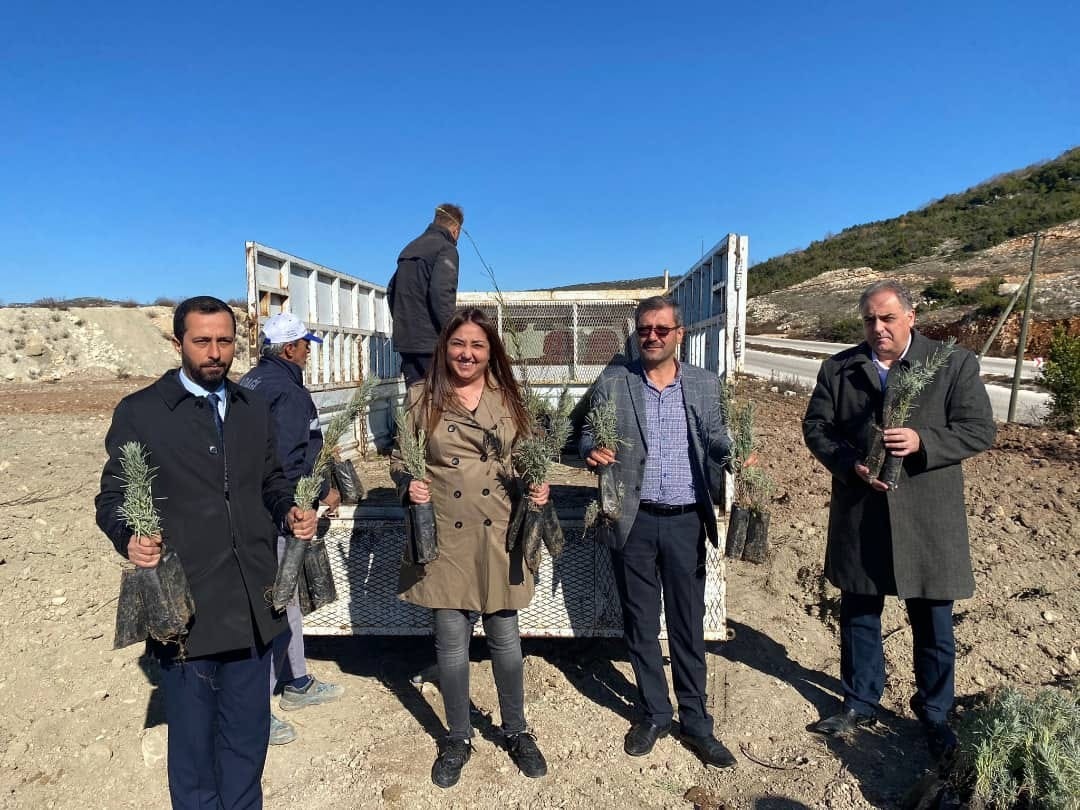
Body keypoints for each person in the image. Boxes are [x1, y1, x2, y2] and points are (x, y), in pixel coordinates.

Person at [95, 296, 317, 809]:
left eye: (224, 341)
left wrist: (288, 509)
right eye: (202, 341)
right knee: (194, 753)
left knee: (247, 740)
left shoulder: (252, 408)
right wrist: (129, 536)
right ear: (178, 343)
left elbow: (271, 480)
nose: (215, 352)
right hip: (186, 610)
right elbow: (112, 497)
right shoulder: (142, 412)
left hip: (254, 603)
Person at [802, 279, 995, 759]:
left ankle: (935, 712)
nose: (878, 328)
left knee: (932, 619)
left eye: (888, 318)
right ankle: (860, 701)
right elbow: (817, 427)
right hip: (861, 509)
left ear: (911, 317)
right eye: (869, 319)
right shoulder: (840, 368)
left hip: (928, 514)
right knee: (859, 611)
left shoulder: (951, 363)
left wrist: (923, 441)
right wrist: (848, 463)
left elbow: (978, 430)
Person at [391, 307, 550, 789]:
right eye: (458, 344)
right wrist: (409, 484)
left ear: (490, 351)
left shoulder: (510, 398)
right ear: (445, 349)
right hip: (447, 534)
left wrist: (537, 484)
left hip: (499, 532)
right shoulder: (422, 397)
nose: (467, 353)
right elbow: (401, 459)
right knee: (451, 645)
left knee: (506, 640)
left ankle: (516, 730)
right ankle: (457, 738)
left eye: (477, 345)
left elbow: (528, 457)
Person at [579, 295, 739, 769]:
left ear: (679, 335)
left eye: (661, 329)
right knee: (640, 623)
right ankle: (655, 713)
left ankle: (697, 722)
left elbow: (718, 436)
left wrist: (735, 451)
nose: (652, 336)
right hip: (634, 520)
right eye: (645, 329)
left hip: (686, 520)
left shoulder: (705, 384)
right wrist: (591, 451)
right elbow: (584, 434)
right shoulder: (614, 381)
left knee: (688, 624)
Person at [238, 312, 345, 746]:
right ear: (288, 349)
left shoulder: (251, 380)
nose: (307, 352)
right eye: (303, 345)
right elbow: (285, 461)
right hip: (278, 512)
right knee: (276, 602)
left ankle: (297, 681)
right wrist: (318, 494)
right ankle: (255, 714)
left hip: (255, 508)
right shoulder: (288, 393)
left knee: (288, 601)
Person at [387, 203, 463, 386]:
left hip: (407, 343)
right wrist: (455, 335)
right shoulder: (446, 249)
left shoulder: (409, 248)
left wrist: (403, 323)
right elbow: (442, 296)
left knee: (416, 397)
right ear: (456, 229)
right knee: (441, 397)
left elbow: (391, 291)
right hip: (432, 344)